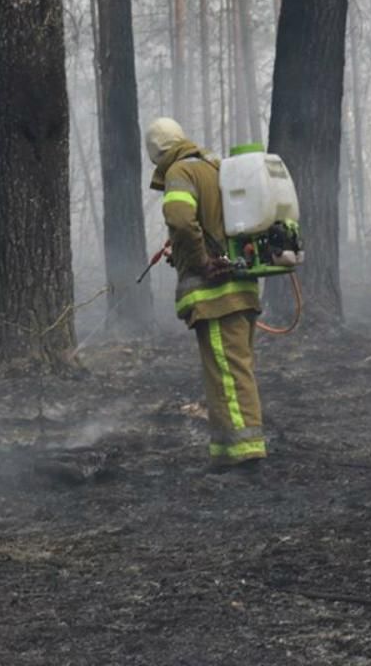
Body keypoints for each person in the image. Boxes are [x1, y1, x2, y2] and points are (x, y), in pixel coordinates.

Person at [145, 117, 266, 482]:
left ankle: (246, 457)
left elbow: (182, 222)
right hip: (240, 287)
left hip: (217, 294)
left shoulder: (181, 172)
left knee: (229, 374)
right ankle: (227, 453)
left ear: (157, 154)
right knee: (228, 371)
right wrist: (187, 253)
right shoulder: (215, 167)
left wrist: (197, 261)